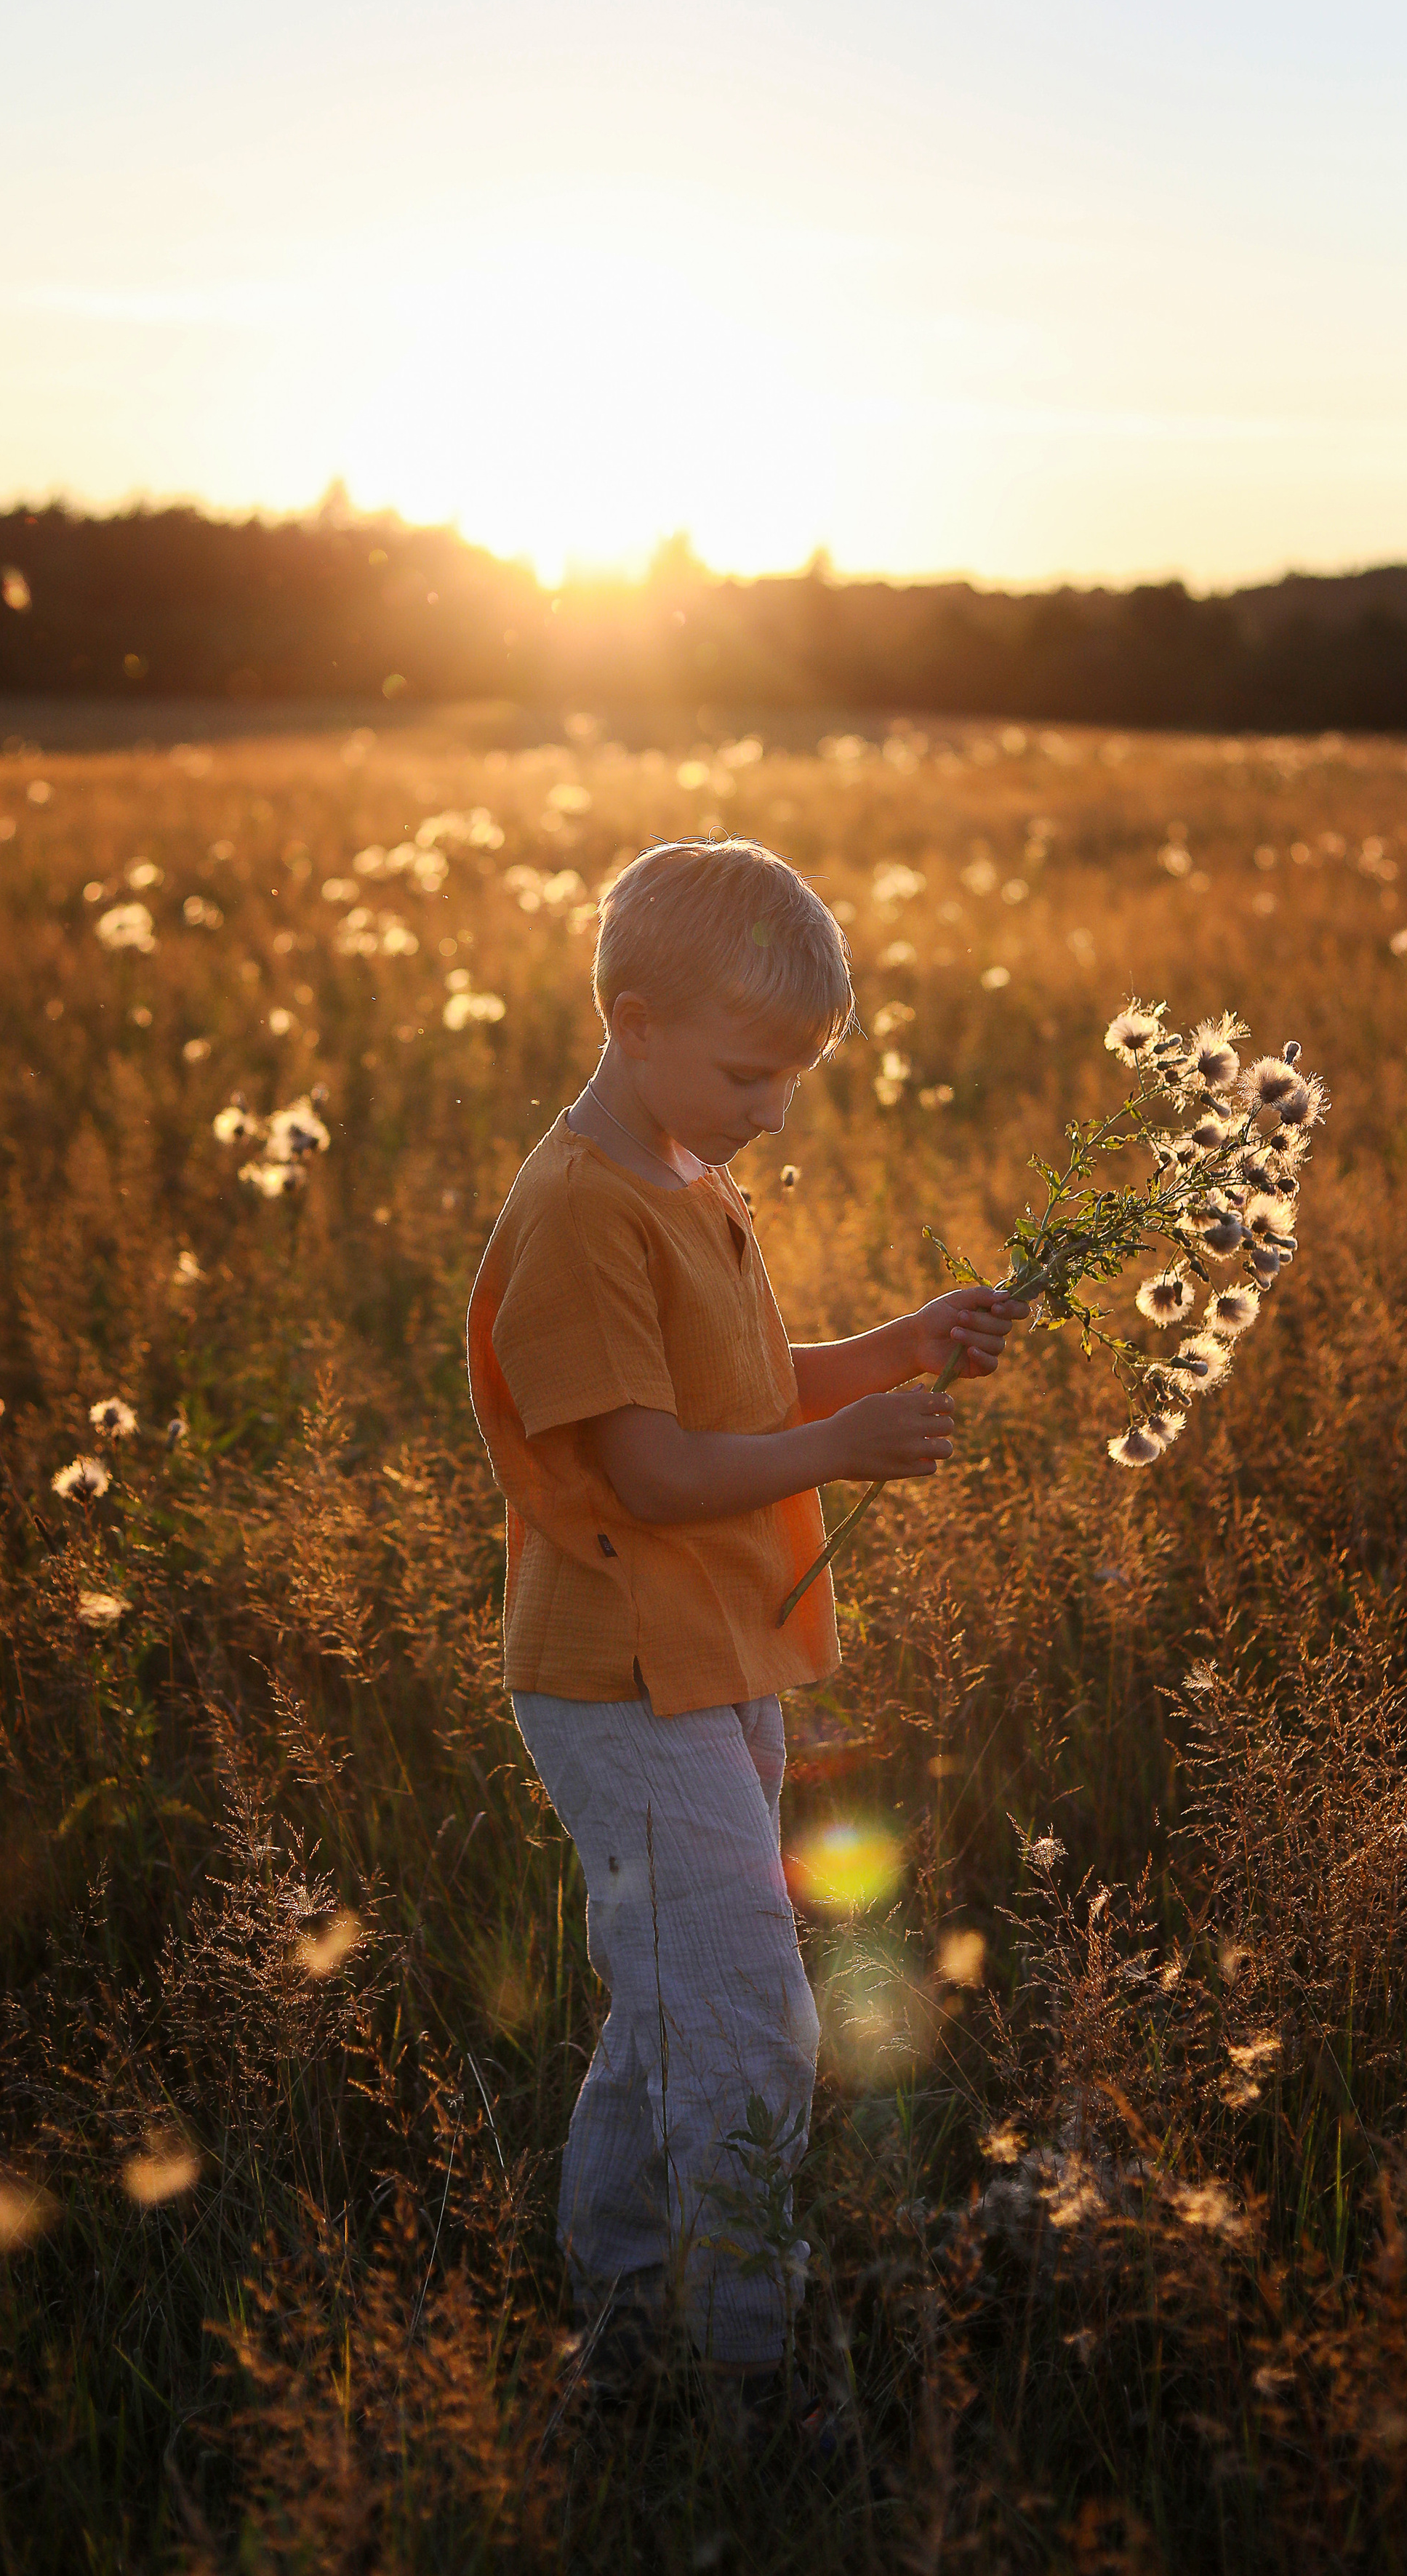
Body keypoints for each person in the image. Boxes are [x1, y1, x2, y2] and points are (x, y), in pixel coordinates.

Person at [464, 832, 1027, 2440]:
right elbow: (648, 1469)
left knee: (672, 2005)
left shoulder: (684, 1172)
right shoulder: (579, 1211)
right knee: (753, 2021)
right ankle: (744, 2371)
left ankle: (623, 2312)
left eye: (795, 1076)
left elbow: (742, 1391)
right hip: (620, 1678)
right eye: (747, 1071)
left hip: (718, 1661)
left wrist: (892, 1352)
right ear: (632, 1022)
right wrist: (840, 1455)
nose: (773, 1109)